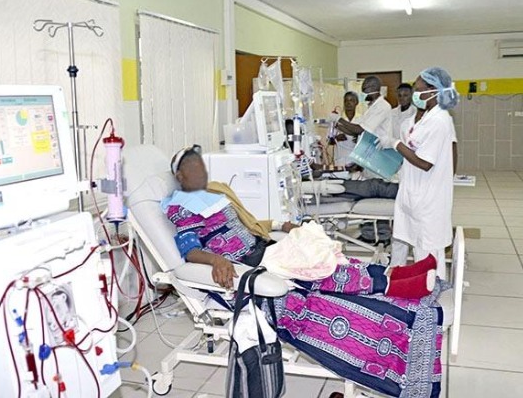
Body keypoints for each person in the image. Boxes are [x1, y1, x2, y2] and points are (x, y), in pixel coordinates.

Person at [162, 145, 445, 397]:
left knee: (325, 259)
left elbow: (249, 224)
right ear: (180, 176)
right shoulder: (182, 207)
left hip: (260, 252)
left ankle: (401, 276)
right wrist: (216, 261)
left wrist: (280, 225)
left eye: (200, 165)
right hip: (241, 271)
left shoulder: (214, 195)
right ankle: (401, 285)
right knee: (319, 278)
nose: (199, 171)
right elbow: (190, 250)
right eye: (192, 168)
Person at [388, 67, 459, 279]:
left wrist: (396, 144)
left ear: (434, 90)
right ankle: (421, 286)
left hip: (429, 196)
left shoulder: (440, 120)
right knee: (419, 245)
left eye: (419, 90)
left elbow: (425, 163)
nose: (415, 94)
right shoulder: (427, 117)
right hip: (415, 192)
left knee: (429, 250)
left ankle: (433, 288)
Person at [334, 76, 394, 243]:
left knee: (379, 198)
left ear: (374, 88)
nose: (363, 92)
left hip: (379, 158)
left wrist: (338, 120)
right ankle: (368, 233)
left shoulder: (382, 106)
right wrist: (337, 124)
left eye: (365, 89)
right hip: (369, 157)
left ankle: (383, 235)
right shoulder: (371, 107)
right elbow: (356, 131)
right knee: (367, 197)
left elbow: (360, 129)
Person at [330, 91, 360, 167]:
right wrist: (336, 138)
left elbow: (366, 139)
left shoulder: (361, 119)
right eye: (346, 100)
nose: (348, 103)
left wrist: (359, 139)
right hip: (341, 160)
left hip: (356, 161)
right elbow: (329, 141)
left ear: (356, 102)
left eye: (351, 100)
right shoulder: (336, 119)